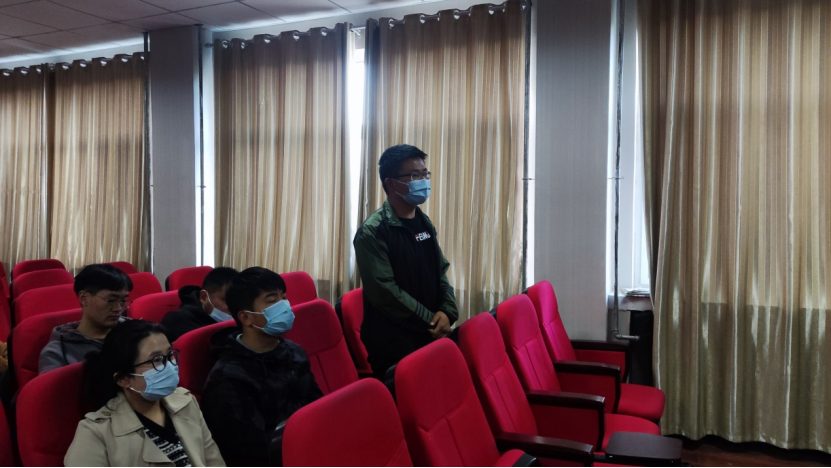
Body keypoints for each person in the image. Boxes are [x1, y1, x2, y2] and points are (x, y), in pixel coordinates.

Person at [354, 144, 460, 380]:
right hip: (394, 341)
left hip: (429, 333)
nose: (423, 181)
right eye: (414, 176)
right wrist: (432, 321)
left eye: (424, 174)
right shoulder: (373, 231)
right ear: (391, 183)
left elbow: (440, 271)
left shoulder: (424, 222)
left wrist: (447, 311)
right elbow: (385, 291)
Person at [201, 267, 322, 467]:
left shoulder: (294, 351)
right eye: (272, 301)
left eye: (284, 298)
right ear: (246, 317)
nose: (284, 307)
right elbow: (250, 451)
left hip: (308, 445)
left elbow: (316, 406)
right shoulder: (228, 378)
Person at [65, 320, 225, 467]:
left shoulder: (186, 401)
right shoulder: (95, 434)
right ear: (124, 379)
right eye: (156, 360)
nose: (169, 366)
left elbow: (214, 461)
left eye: (170, 355)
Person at [39, 264, 133, 375]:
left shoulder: (134, 333)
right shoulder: (57, 353)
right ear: (84, 298)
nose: (118, 308)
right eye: (111, 300)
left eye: (123, 301)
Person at [161, 267, 239, 343]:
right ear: (204, 297)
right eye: (227, 300)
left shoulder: (242, 314)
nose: (234, 307)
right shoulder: (179, 321)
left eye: (238, 301)